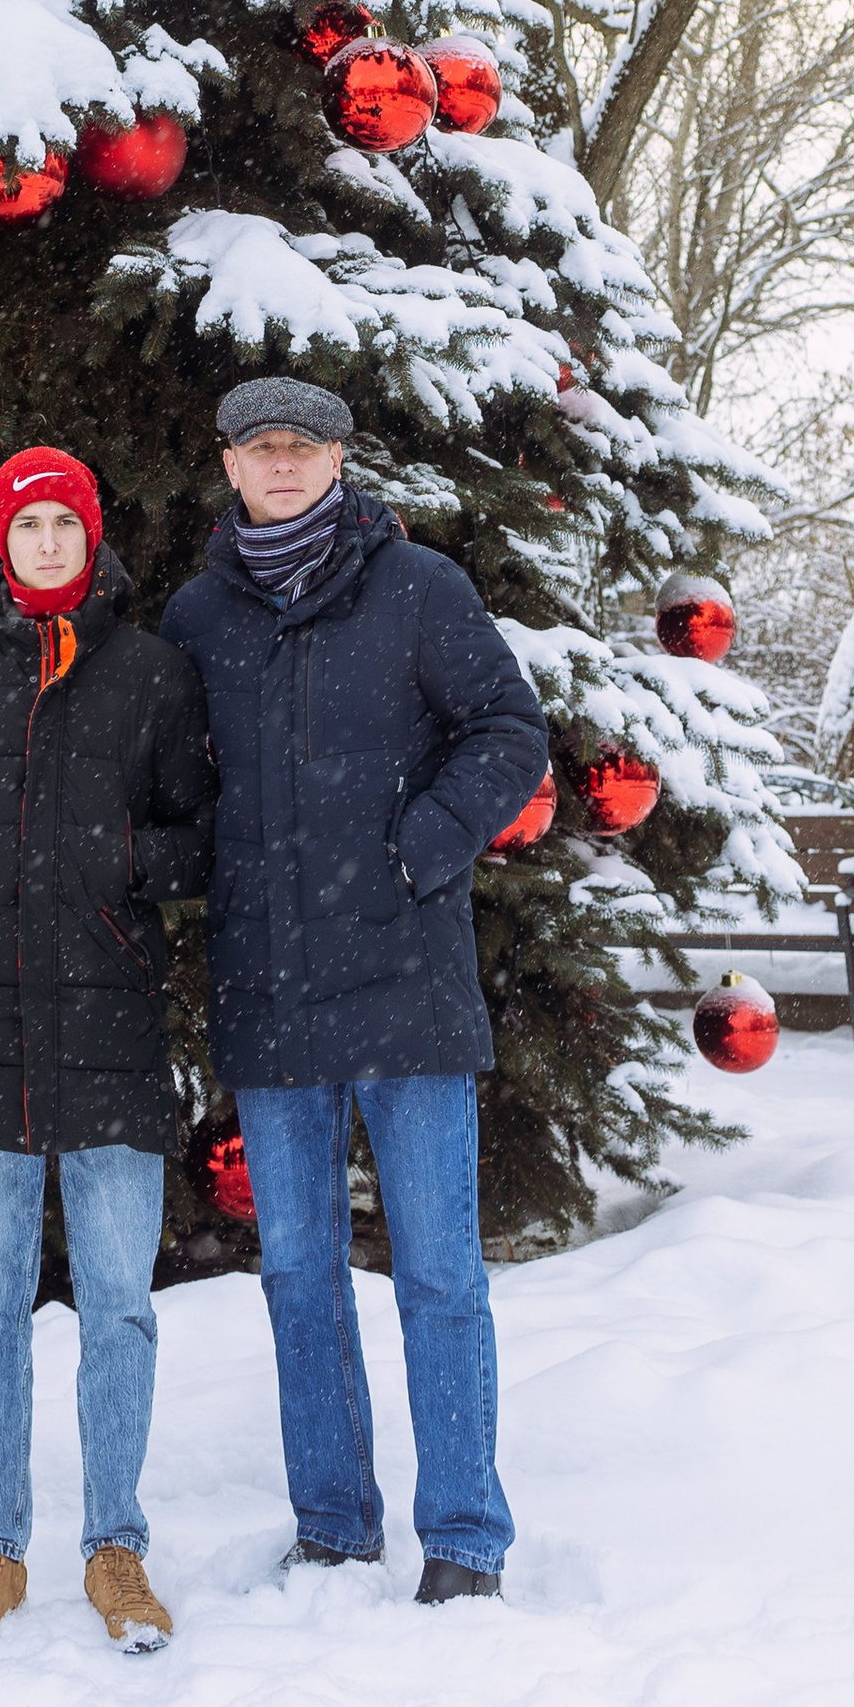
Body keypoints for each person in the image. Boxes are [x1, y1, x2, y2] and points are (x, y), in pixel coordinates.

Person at [161, 381, 549, 1606]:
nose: (282, 464)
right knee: (300, 1276)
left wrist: (416, 847)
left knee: (437, 1271)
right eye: (259, 447)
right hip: (270, 991)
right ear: (227, 465)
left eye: (305, 445)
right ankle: (331, 1521)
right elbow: (181, 787)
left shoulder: (418, 587)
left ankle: (464, 1537)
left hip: (405, 981)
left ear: (337, 459)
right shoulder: (196, 616)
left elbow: (508, 730)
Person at [0, 446, 214, 1655]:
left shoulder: (151, 676)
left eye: (64, 524)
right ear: (1, 540)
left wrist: (124, 870)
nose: (46, 543)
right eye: (26, 525)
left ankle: (115, 1547)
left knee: (118, 1309)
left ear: (92, 537)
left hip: (111, 1026)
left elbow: (205, 838)